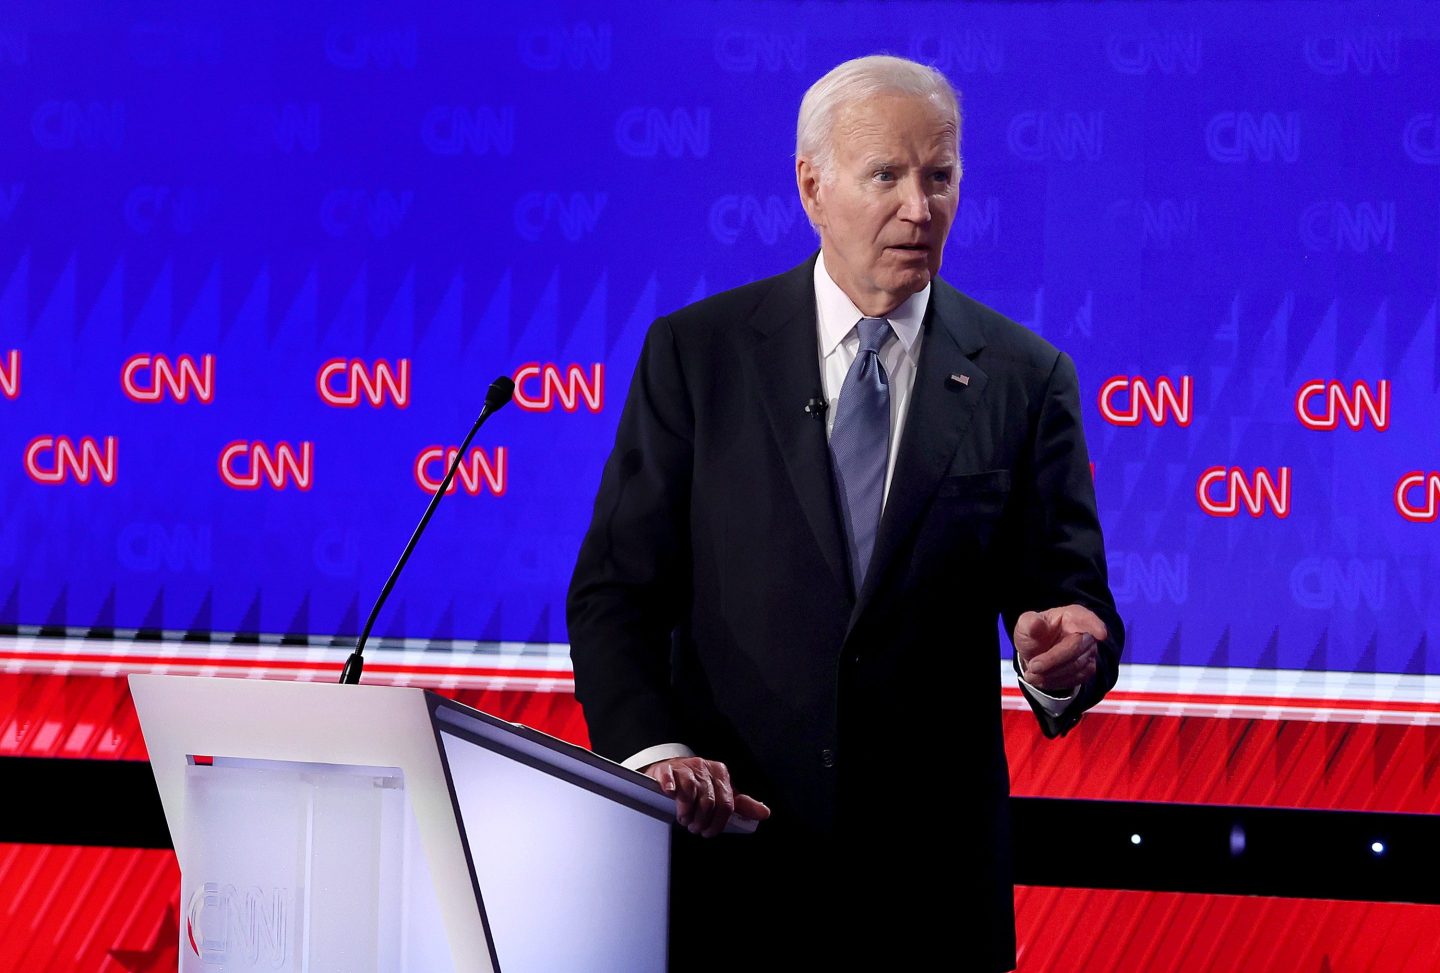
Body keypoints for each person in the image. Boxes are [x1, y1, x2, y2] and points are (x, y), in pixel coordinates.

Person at [567, 54, 1122, 971]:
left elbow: (1070, 599)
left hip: (931, 903)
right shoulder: (698, 357)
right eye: (887, 176)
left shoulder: (1026, 378)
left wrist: (1069, 649)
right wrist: (655, 752)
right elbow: (615, 594)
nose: (920, 207)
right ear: (811, 185)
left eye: (940, 176)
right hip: (731, 875)